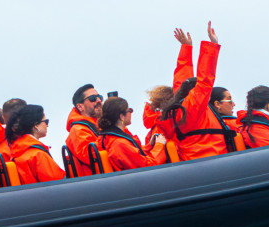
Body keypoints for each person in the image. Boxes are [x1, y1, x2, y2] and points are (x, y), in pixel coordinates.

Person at [164, 22, 239, 159]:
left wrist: (186, 48)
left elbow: (181, 81)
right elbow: (205, 80)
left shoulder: (181, 107)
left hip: (195, 162)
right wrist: (213, 45)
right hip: (210, 161)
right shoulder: (193, 106)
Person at [98, 97, 166, 171]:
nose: (131, 113)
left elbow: (135, 157)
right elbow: (147, 167)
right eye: (129, 110)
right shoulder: (119, 143)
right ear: (121, 117)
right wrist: (159, 145)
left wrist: (149, 146)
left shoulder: (108, 137)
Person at [5, 105, 65, 185]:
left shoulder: (18, 150)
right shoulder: (37, 154)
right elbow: (58, 183)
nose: (47, 125)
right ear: (36, 125)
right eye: (46, 122)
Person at [66, 84, 104, 176]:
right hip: (98, 183)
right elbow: (90, 156)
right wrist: (111, 138)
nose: (99, 100)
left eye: (100, 97)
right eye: (92, 98)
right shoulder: (78, 130)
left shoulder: (101, 124)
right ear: (80, 107)